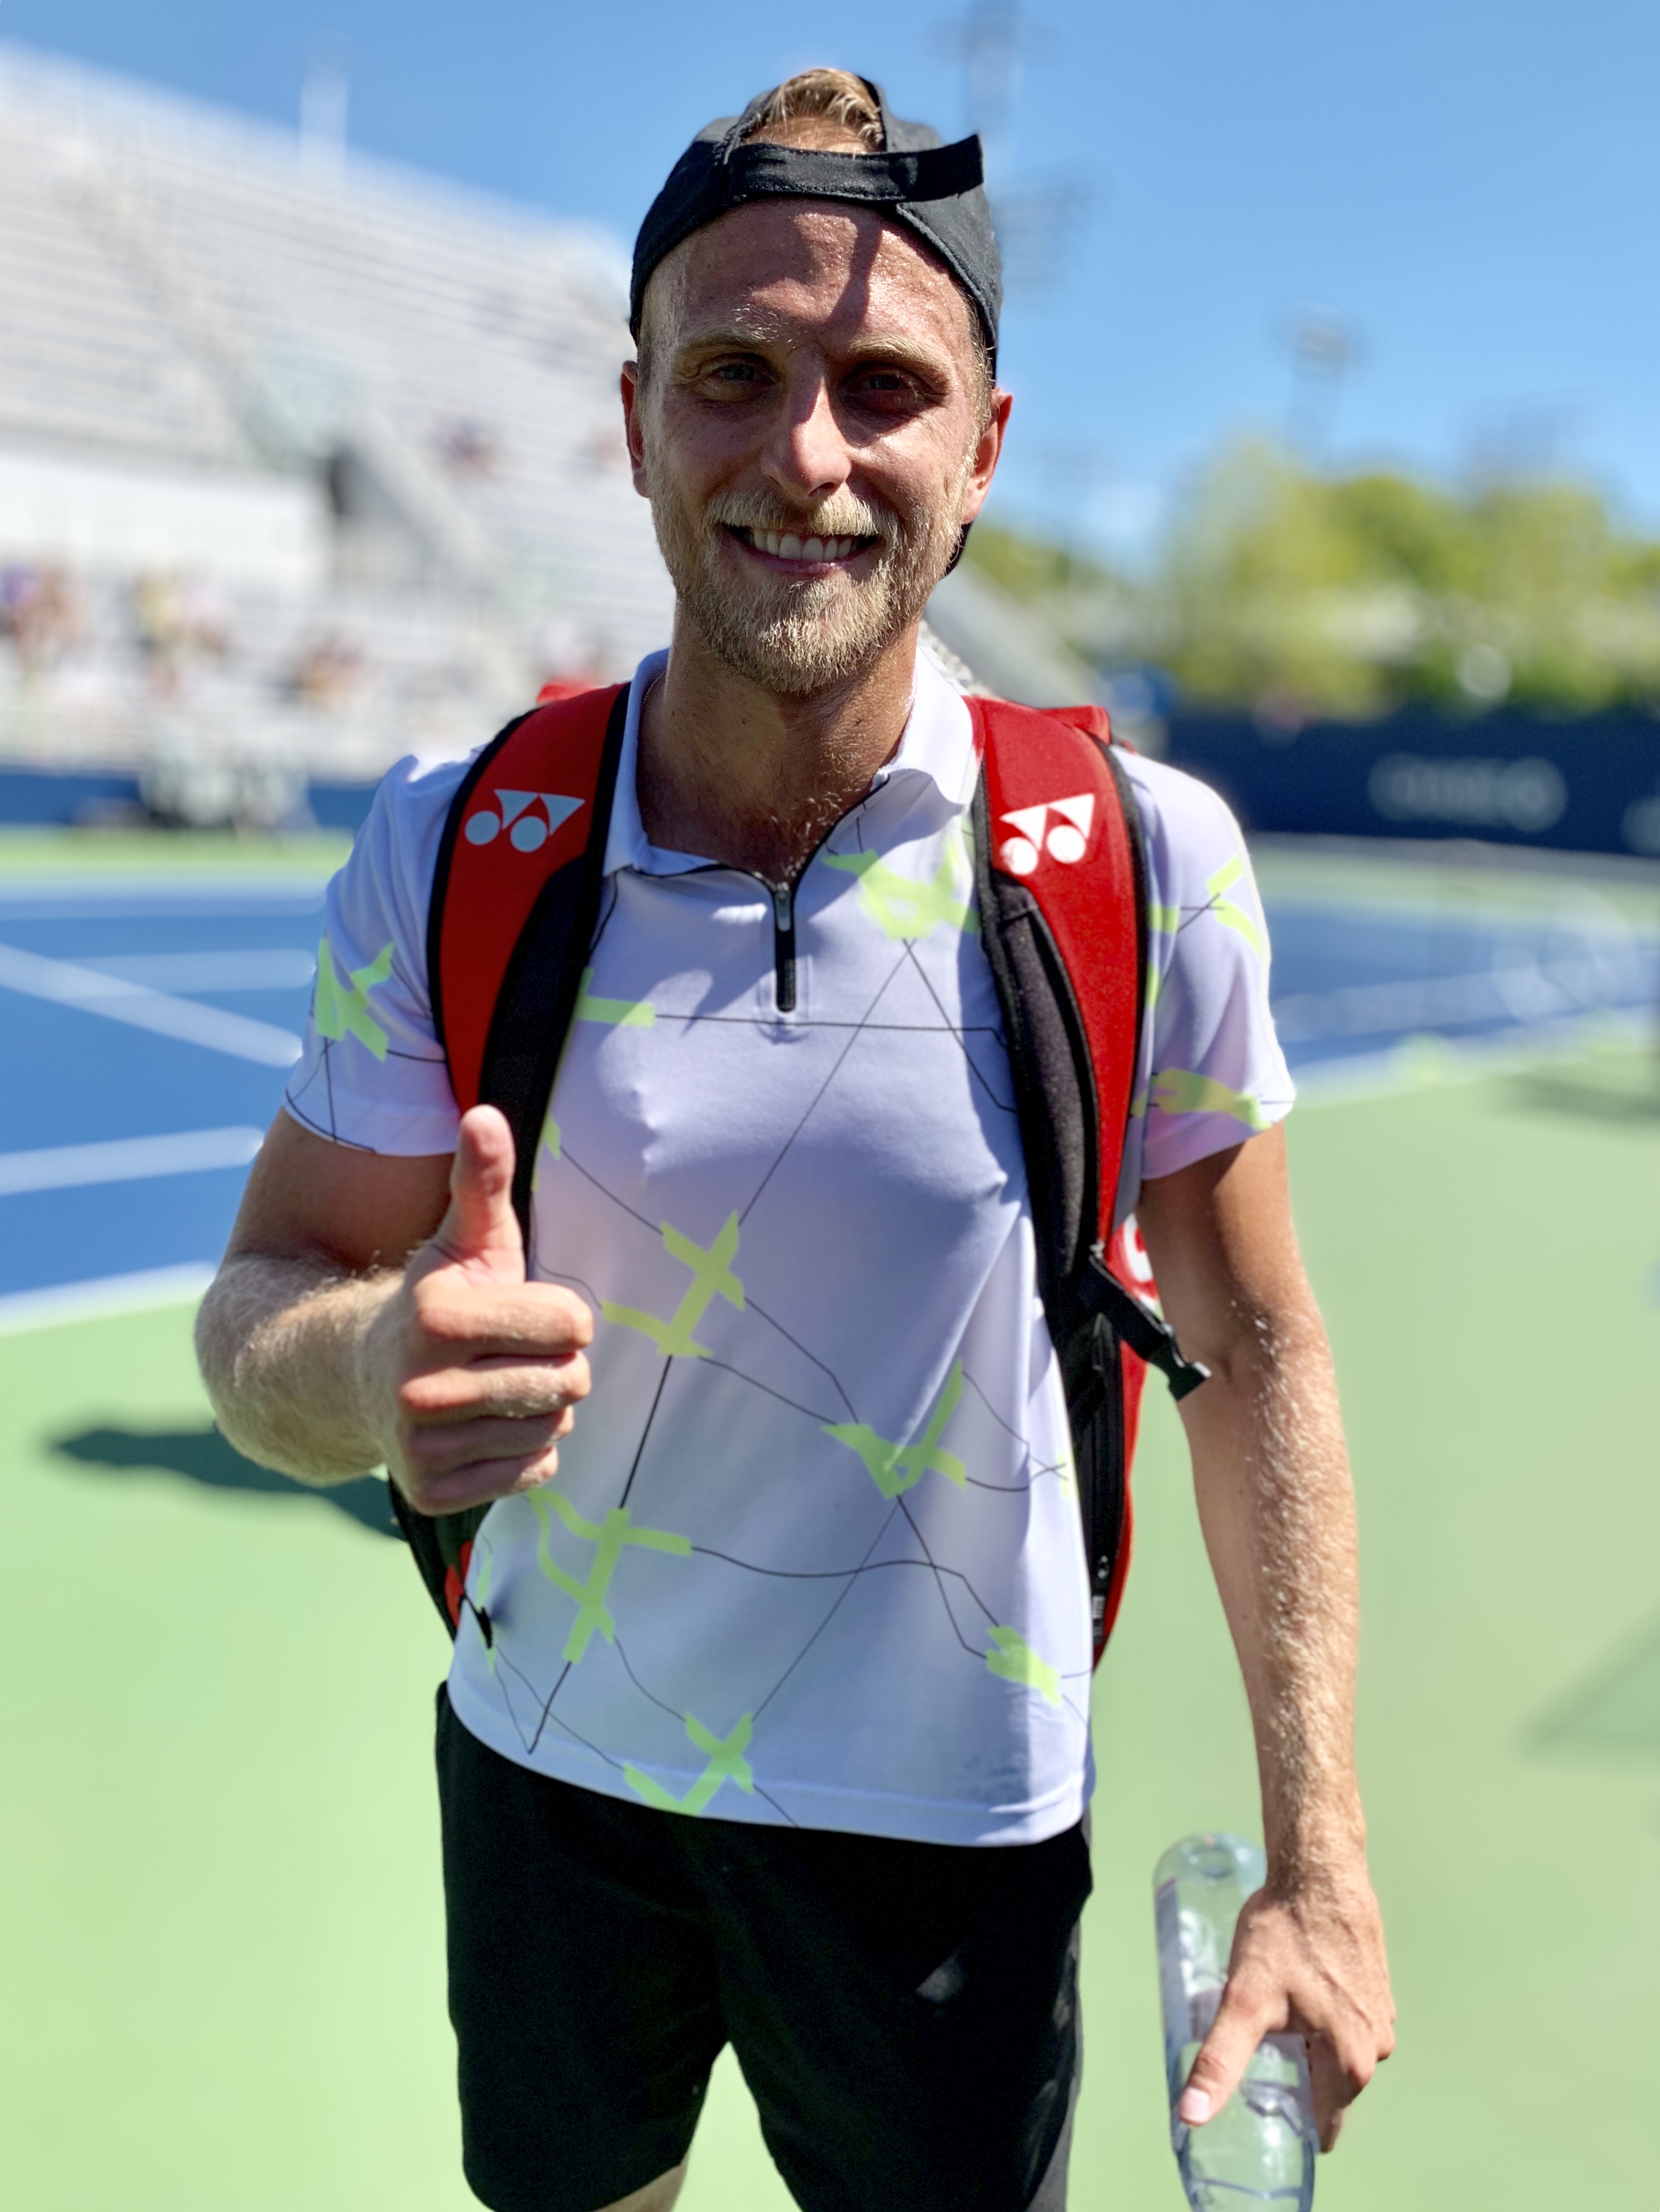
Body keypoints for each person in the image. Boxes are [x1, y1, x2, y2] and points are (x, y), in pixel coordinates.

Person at [196, 67, 1393, 2212]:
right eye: (736, 373)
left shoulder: (1142, 859)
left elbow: (1267, 1354)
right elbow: (255, 1317)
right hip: (547, 1772)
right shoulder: (451, 841)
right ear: (635, 409)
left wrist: (1324, 1860)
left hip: (956, 1825)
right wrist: (373, 1366)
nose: (808, 453)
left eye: (884, 384)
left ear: (985, 449)